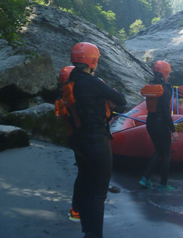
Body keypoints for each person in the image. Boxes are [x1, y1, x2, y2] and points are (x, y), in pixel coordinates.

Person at [67, 42, 127, 238]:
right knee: (98, 192)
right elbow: (121, 99)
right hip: (95, 140)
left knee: (85, 183)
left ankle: (87, 230)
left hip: (79, 139)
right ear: (92, 60)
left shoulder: (71, 80)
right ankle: (94, 235)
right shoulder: (91, 82)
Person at [139, 61, 179, 191]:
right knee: (166, 154)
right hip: (161, 123)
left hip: (150, 120)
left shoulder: (150, 85)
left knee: (158, 151)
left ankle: (145, 178)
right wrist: (173, 130)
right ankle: (163, 184)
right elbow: (166, 112)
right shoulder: (165, 89)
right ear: (166, 74)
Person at [54, 65, 81, 223]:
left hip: (72, 137)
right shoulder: (75, 97)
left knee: (83, 173)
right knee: (85, 175)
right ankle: (77, 209)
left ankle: (76, 209)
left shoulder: (61, 99)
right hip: (81, 137)